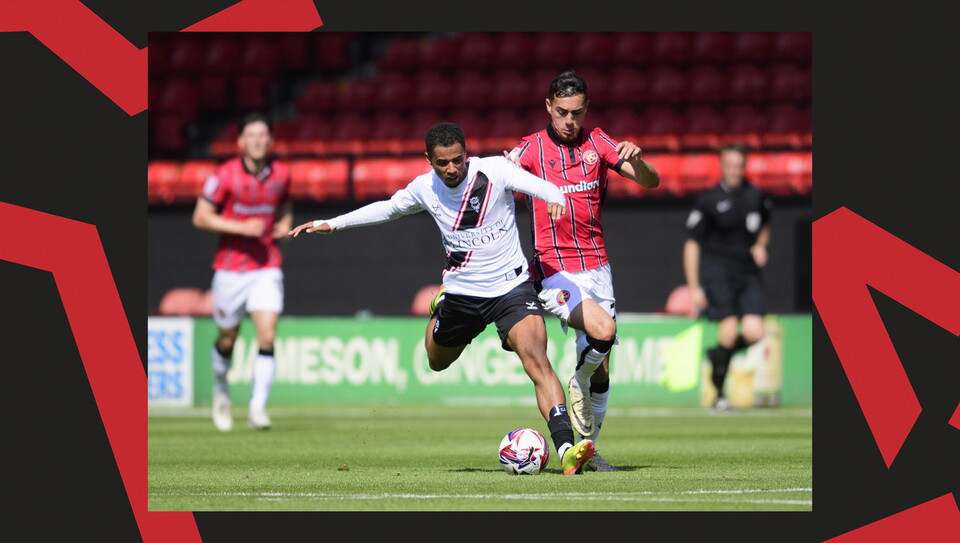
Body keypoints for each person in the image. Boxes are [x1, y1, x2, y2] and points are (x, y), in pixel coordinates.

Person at [288, 122, 596, 475]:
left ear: (466, 152)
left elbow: (543, 187)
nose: (452, 169)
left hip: (511, 288)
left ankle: (566, 450)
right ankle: (440, 307)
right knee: (436, 360)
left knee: (537, 360)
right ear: (429, 160)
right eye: (442, 163)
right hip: (462, 294)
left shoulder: (494, 171)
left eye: (457, 160)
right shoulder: (425, 188)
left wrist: (555, 198)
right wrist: (334, 223)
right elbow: (387, 209)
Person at [507, 70, 660, 471]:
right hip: (552, 269)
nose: (569, 121)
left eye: (576, 112)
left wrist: (639, 161)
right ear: (548, 107)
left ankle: (587, 450)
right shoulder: (529, 151)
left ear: (586, 108)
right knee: (604, 333)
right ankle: (577, 381)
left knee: (603, 367)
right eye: (562, 112)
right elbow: (496, 185)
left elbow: (650, 182)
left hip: (598, 266)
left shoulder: (599, 143)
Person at [192, 112, 293, 431]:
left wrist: (286, 225)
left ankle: (257, 409)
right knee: (228, 338)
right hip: (230, 270)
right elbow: (200, 217)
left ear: (271, 141)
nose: (258, 140)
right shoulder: (223, 175)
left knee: (267, 335)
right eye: (251, 135)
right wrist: (240, 227)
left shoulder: (282, 174)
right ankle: (221, 390)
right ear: (240, 142)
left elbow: (286, 204)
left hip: (266, 265)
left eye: (263, 135)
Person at [683, 143, 772, 411]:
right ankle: (719, 395)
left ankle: (718, 355)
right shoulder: (708, 200)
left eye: (739, 165)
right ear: (722, 166)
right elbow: (691, 243)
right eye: (729, 165)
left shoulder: (757, 196)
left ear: (745, 166)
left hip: (746, 273)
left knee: (756, 332)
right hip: (718, 271)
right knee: (730, 331)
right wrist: (694, 286)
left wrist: (760, 245)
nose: (734, 170)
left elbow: (765, 226)